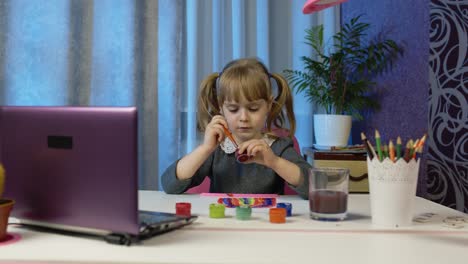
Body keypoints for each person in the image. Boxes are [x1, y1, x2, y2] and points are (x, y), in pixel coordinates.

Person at [161, 58, 311, 199]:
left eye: (253, 108)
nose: (244, 118)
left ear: (268, 106)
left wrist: (274, 162)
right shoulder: (217, 148)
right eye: (233, 109)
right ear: (221, 108)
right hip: (223, 221)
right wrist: (205, 148)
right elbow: (169, 185)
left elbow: (313, 186)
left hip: (265, 223)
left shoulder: (279, 146)